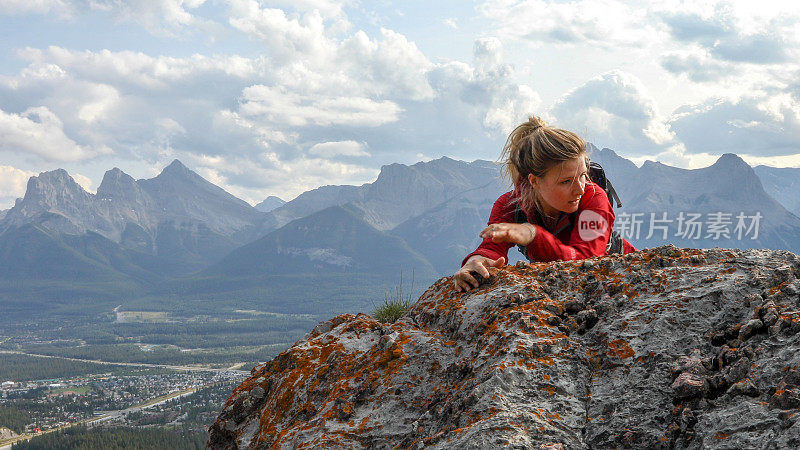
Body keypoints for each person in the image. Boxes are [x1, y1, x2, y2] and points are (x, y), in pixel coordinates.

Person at [454, 116, 637, 292]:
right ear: (534, 181)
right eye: (566, 181)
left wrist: (532, 234)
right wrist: (476, 262)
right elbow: (492, 248)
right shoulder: (509, 206)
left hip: (630, 276)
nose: (580, 189)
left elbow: (585, 262)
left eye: (582, 175)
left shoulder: (595, 197)